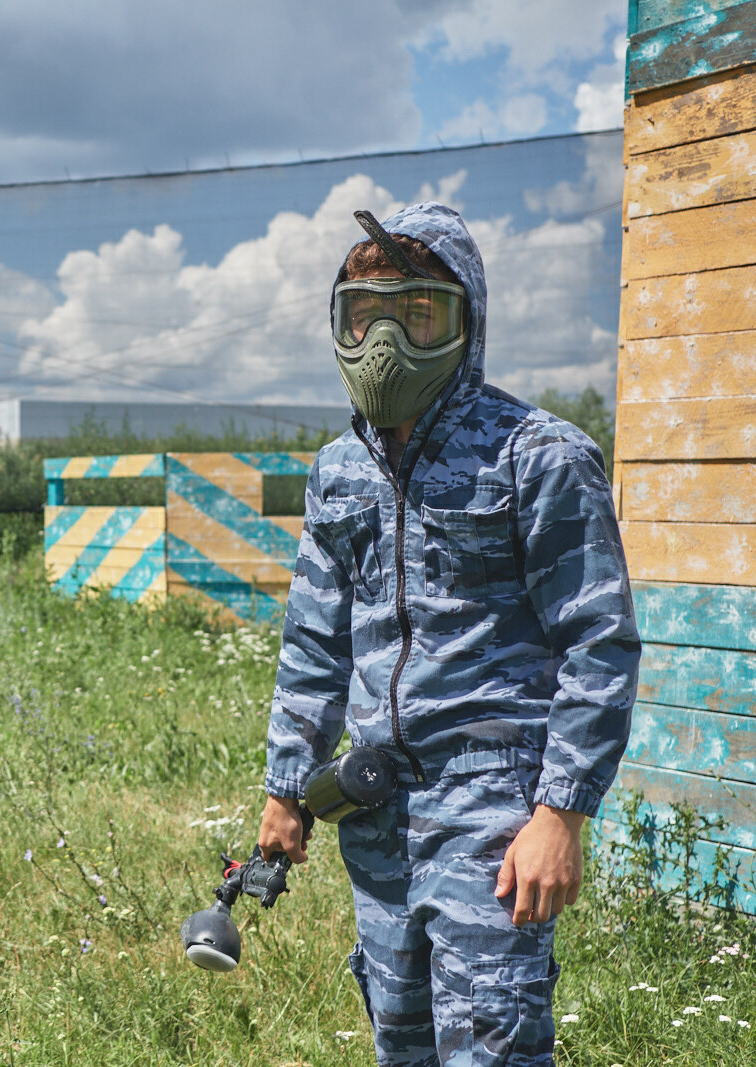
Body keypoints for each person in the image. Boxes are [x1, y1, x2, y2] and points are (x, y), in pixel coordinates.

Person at [257, 203, 639, 1066]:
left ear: (465, 319)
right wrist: (287, 788)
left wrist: (560, 814)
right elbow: (315, 640)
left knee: (491, 1045)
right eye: (366, 314)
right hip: (374, 802)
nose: (385, 338)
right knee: (402, 1043)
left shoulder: (536, 456)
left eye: (416, 312)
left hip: (493, 809)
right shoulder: (339, 471)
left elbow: (598, 641)